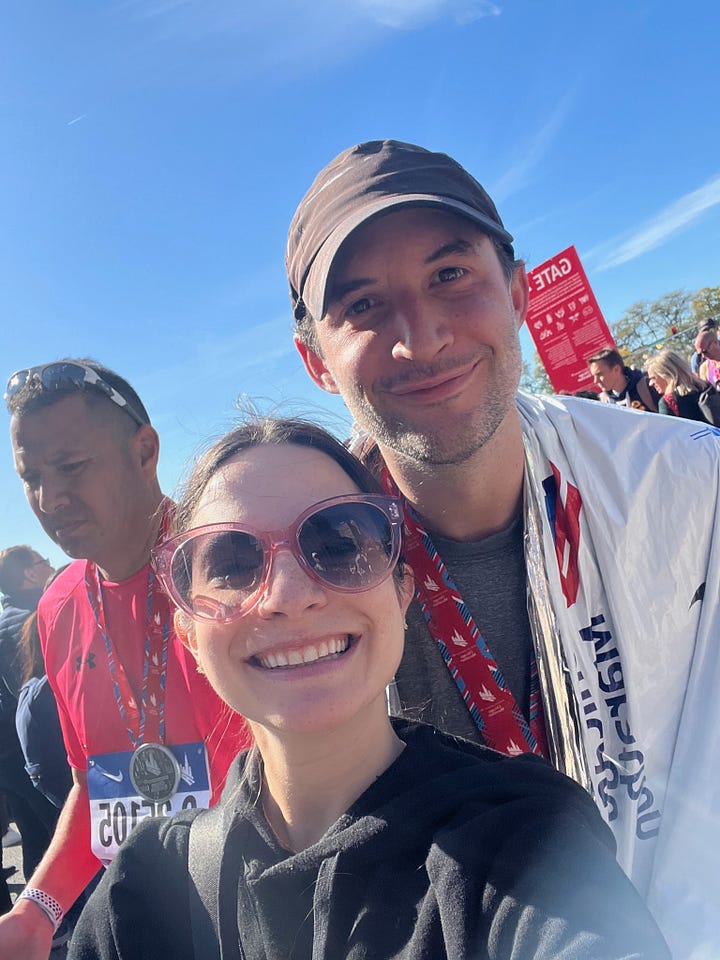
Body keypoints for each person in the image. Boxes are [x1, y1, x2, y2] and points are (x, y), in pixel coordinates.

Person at [286, 139, 720, 956]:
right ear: (315, 359)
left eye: (451, 274)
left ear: (518, 292)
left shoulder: (688, 488)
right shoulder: (302, 577)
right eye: (364, 307)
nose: (421, 337)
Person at [67, 416, 669, 960]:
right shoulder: (141, 892)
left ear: (402, 591)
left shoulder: (528, 841)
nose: (287, 595)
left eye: (338, 543)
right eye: (232, 562)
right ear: (191, 635)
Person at [3, 360, 249, 960]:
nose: (49, 498)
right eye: (30, 477)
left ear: (145, 451)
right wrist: (36, 913)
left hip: (279, 915)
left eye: (71, 467)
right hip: (152, 923)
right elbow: (97, 789)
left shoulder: (238, 561)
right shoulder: (58, 606)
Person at [0, 548, 59, 880]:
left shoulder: (9, 618)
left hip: (11, 750)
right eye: (42, 561)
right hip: (30, 748)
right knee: (54, 833)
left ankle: (44, 918)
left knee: (34, 835)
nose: (48, 565)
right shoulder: (32, 618)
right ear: (28, 575)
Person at [645, 349, 709, 421]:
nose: (651, 383)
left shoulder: (668, 403)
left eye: (653, 378)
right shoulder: (706, 387)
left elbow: (669, 431)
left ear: (666, 375)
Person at [587, 347, 659, 410]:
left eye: (599, 374)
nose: (595, 381)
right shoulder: (602, 402)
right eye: (594, 376)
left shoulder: (646, 387)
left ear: (616, 370)